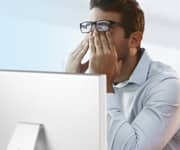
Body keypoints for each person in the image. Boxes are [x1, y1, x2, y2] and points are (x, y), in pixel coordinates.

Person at [65, 0, 180, 149]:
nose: (93, 37)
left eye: (103, 26)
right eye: (90, 27)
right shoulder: (91, 78)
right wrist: (71, 85)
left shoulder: (168, 86)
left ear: (134, 40)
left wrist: (103, 84)